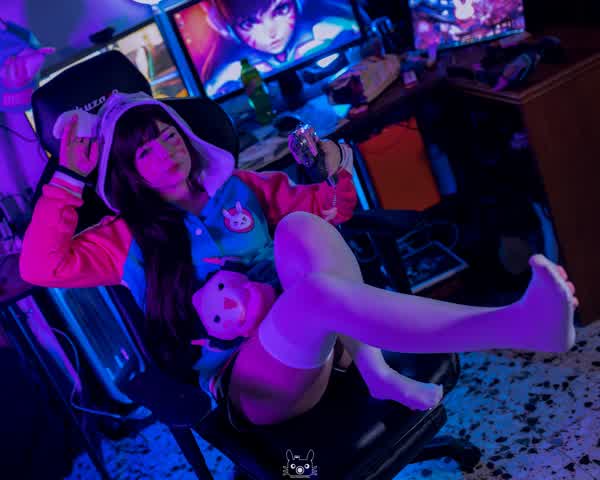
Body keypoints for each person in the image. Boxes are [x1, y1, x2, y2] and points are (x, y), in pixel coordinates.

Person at [20, 92, 578, 426]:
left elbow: (332, 210)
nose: (165, 152)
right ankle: (516, 325)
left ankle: (377, 372)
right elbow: (38, 266)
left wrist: (331, 166)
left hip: (325, 345)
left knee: (300, 227)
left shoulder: (241, 187)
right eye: (145, 151)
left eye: (167, 135)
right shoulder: (123, 238)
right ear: (128, 170)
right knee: (314, 298)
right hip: (251, 382)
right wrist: (68, 175)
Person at [201, 0, 363, 97]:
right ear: (229, 30)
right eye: (248, 24)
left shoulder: (329, 31)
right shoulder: (229, 72)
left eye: (281, 10)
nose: (271, 32)